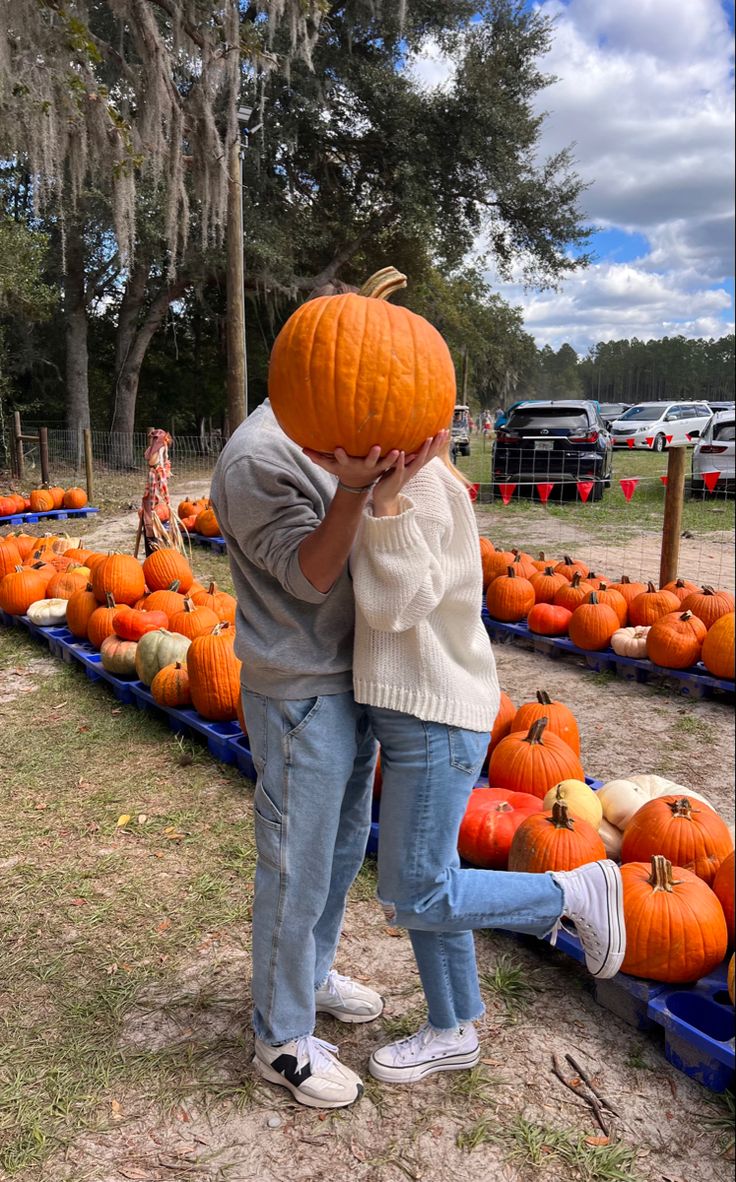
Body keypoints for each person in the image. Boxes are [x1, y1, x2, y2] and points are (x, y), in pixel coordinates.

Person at [333, 430, 625, 1084]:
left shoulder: (419, 490)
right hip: (419, 718)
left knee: (414, 892)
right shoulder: (406, 480)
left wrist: (380, 509)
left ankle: (567, 892)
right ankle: (451, 1027)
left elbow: (393, 606)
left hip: (435, 721)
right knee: (427, 882)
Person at [210, 400, 402, 1110]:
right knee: (295, 866)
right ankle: (280, 1037)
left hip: (354, 676)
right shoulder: (259, 457)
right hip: (299, 692)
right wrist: (353, 491)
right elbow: (308, 576)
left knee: (341, 850)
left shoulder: (336, 435)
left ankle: (312, 977)